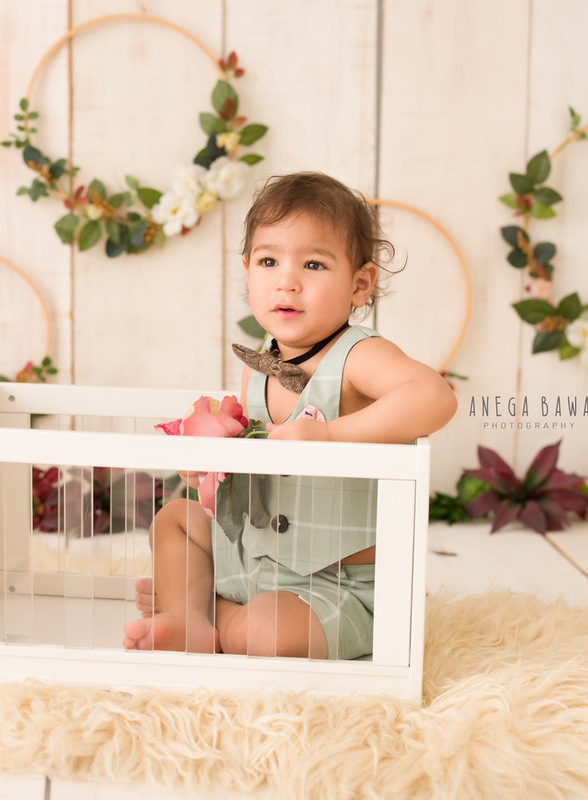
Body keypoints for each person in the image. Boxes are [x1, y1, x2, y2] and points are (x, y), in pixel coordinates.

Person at [123, 171, 458, 659]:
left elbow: (434, 397)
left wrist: (331, 437)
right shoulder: (260, 366)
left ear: (359, 284)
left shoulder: (358, 356)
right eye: (268, 261)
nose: (287, 281)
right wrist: (211, 470)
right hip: (256, 562)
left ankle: (207, 613)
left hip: (337, 583)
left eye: (315, 264)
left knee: (268, 634)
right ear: (247, 272)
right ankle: (190, 617)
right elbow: (252, 476)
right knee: (175, 518)